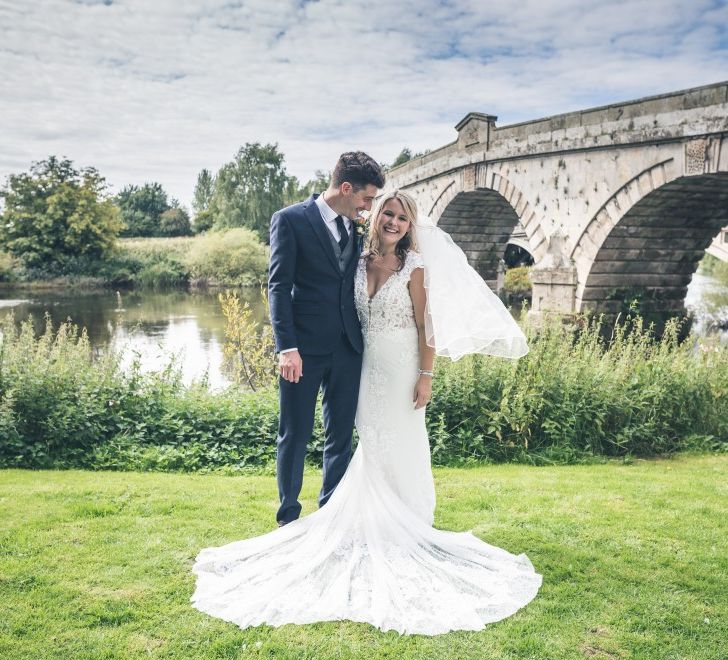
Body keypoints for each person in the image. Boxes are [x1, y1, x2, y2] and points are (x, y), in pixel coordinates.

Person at [192, 191, 541, 635]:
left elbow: (425, 326)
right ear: (375, 217)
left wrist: (426, 375)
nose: (394, 222)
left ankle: (408, 527)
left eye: (401, 218)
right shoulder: (357, 259)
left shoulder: (414, 268)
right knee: (370, 445)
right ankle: (357, 520)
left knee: (402, 445)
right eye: (388, 214)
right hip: (362, 365)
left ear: (411, 227)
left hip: (401, 368)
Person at [267, 151, 385, 526]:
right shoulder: (290, 220)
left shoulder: (357, 226)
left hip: (348, 347)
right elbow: (278, 287)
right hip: (302, 351)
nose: (369, 208)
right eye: (367, 198)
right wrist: (287, 348)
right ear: (346, 188)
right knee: (295, 434)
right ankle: (288, 517)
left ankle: (330, 516)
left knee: (340, 440)